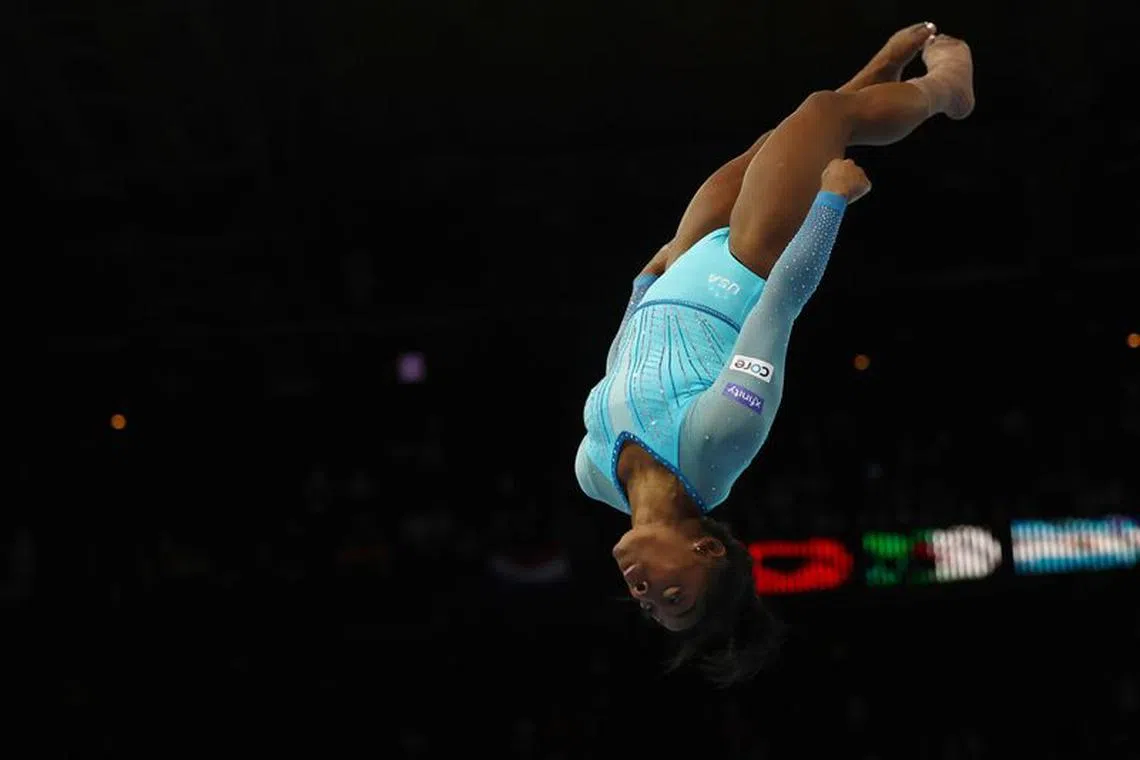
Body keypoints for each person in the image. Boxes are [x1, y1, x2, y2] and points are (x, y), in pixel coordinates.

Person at [573, 22, 975, 686]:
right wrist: (831, 204)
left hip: (682, 263)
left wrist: (642, 291)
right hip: (750, 260)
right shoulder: (716, 447)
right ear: (707, 551)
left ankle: (877, 74)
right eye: (675, 596)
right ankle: (945, 92)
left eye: (650, 608)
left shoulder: (593, 473)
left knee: (775, 141)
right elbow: (778, 307)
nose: (646, 594)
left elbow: (618, 371)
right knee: (823, 116)